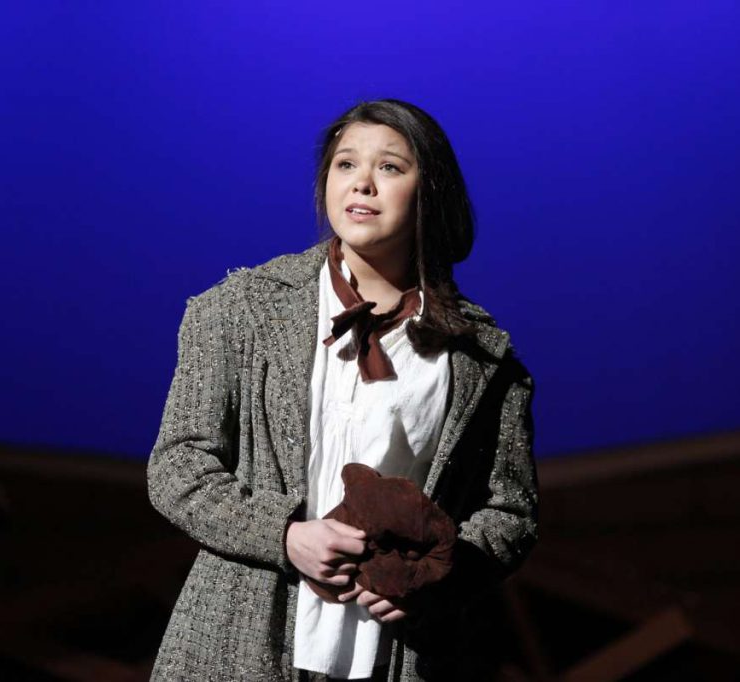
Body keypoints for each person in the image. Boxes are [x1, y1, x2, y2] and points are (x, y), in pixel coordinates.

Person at [146, 98, 539, 681]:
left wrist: (437, 577)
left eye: (390, 167)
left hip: (401, 651)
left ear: (430, 192)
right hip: (239, 639)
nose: (362, 183)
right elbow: (177, 465)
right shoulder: (240, 310)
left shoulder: (483, 356)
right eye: (345, 164)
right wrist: (284, 535)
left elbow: (511, 512)